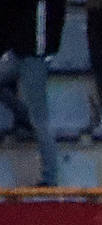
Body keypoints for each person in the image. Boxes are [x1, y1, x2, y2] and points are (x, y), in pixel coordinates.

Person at [0, 0, 66, 187]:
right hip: (18, 53)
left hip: (35, 57)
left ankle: (50, 177)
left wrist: (47, 53)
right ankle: (24, 116)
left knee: (41, 121)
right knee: (38, 120)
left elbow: (53, 21)